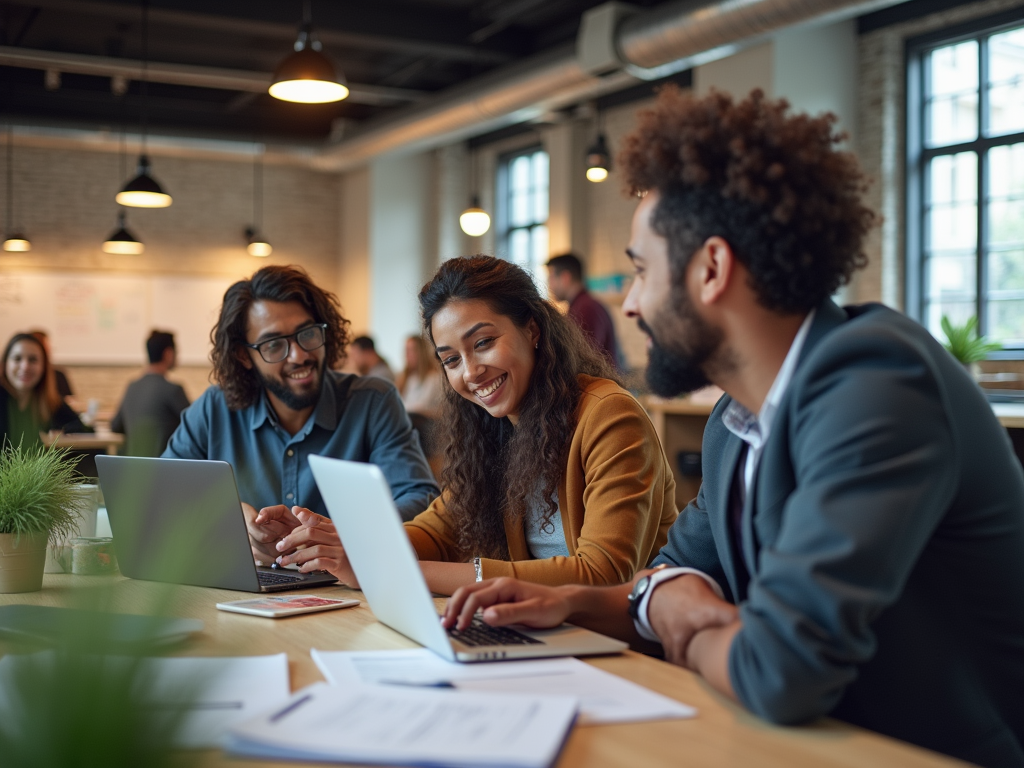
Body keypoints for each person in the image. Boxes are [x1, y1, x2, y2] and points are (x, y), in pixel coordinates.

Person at [440, 88, 1024, 768]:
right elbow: (666, 577)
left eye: (640, 271)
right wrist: (563, 600)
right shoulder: (734, 422)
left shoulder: (878, 383)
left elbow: (780, 669)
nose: (628, 305)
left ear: (711, 268)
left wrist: (681, 615)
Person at [268, 255, 678, 596]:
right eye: (450, 360)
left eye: (483, 343)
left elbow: (602, 574)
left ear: (532, 329)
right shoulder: (493, 429)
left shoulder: (608, 415)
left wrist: (388, 571)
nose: (471, 372)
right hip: (545, 635)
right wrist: (346, 544)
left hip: (623, 651)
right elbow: (437, 532)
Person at [162, 265, 439, 565]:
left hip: (343, 593)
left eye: (307, 334)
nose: (299, 355)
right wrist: (224, 516)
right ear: (244, 356)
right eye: (274, 344)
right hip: (240, 592)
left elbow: (419, 499)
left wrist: (341, 535)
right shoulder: (214, 410)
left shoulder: (373, 401)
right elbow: (159, 491)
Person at [110, 330, 190, 457]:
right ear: (168, 354)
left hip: (133, 469)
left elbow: (115, 426)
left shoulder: (132, 387)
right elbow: (196, 427)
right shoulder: (173, 390)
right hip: (165, 469)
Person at [0, 333, 85, 449]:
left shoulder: (50, 402)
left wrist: (61, 432)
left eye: (33, 360)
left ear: (44, 366)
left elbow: (79, 426)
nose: (25, 366)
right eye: (17, 358)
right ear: (5, 364)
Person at [546, 253, 620, 369]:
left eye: (551, 277)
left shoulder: (586, 308)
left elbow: (583, 361)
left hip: (599, 385)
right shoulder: (583, 305)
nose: (549, 285)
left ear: (565, 277)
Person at [396, 335, 443, 419]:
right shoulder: (409, 378)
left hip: (426, 424)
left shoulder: (434, 378)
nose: (407, 355)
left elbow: (422, 406)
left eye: (411, 350)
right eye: (406, 350)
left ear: (421, 353)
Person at [28, 329, 73, 398]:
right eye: (46, 347)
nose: (49, 350)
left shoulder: (58, 375)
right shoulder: (25, 377)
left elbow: (70, 400)